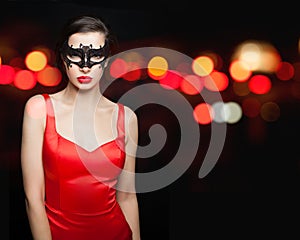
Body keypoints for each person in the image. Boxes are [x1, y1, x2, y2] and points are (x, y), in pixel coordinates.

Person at [21, 15, 141, 240]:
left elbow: (127, 197)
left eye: (95, 55)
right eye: (75, 54)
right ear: (62, 57)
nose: (85, 66)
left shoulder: (127, 118)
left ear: (106, 60)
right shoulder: (38, 109)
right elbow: (33, 199)